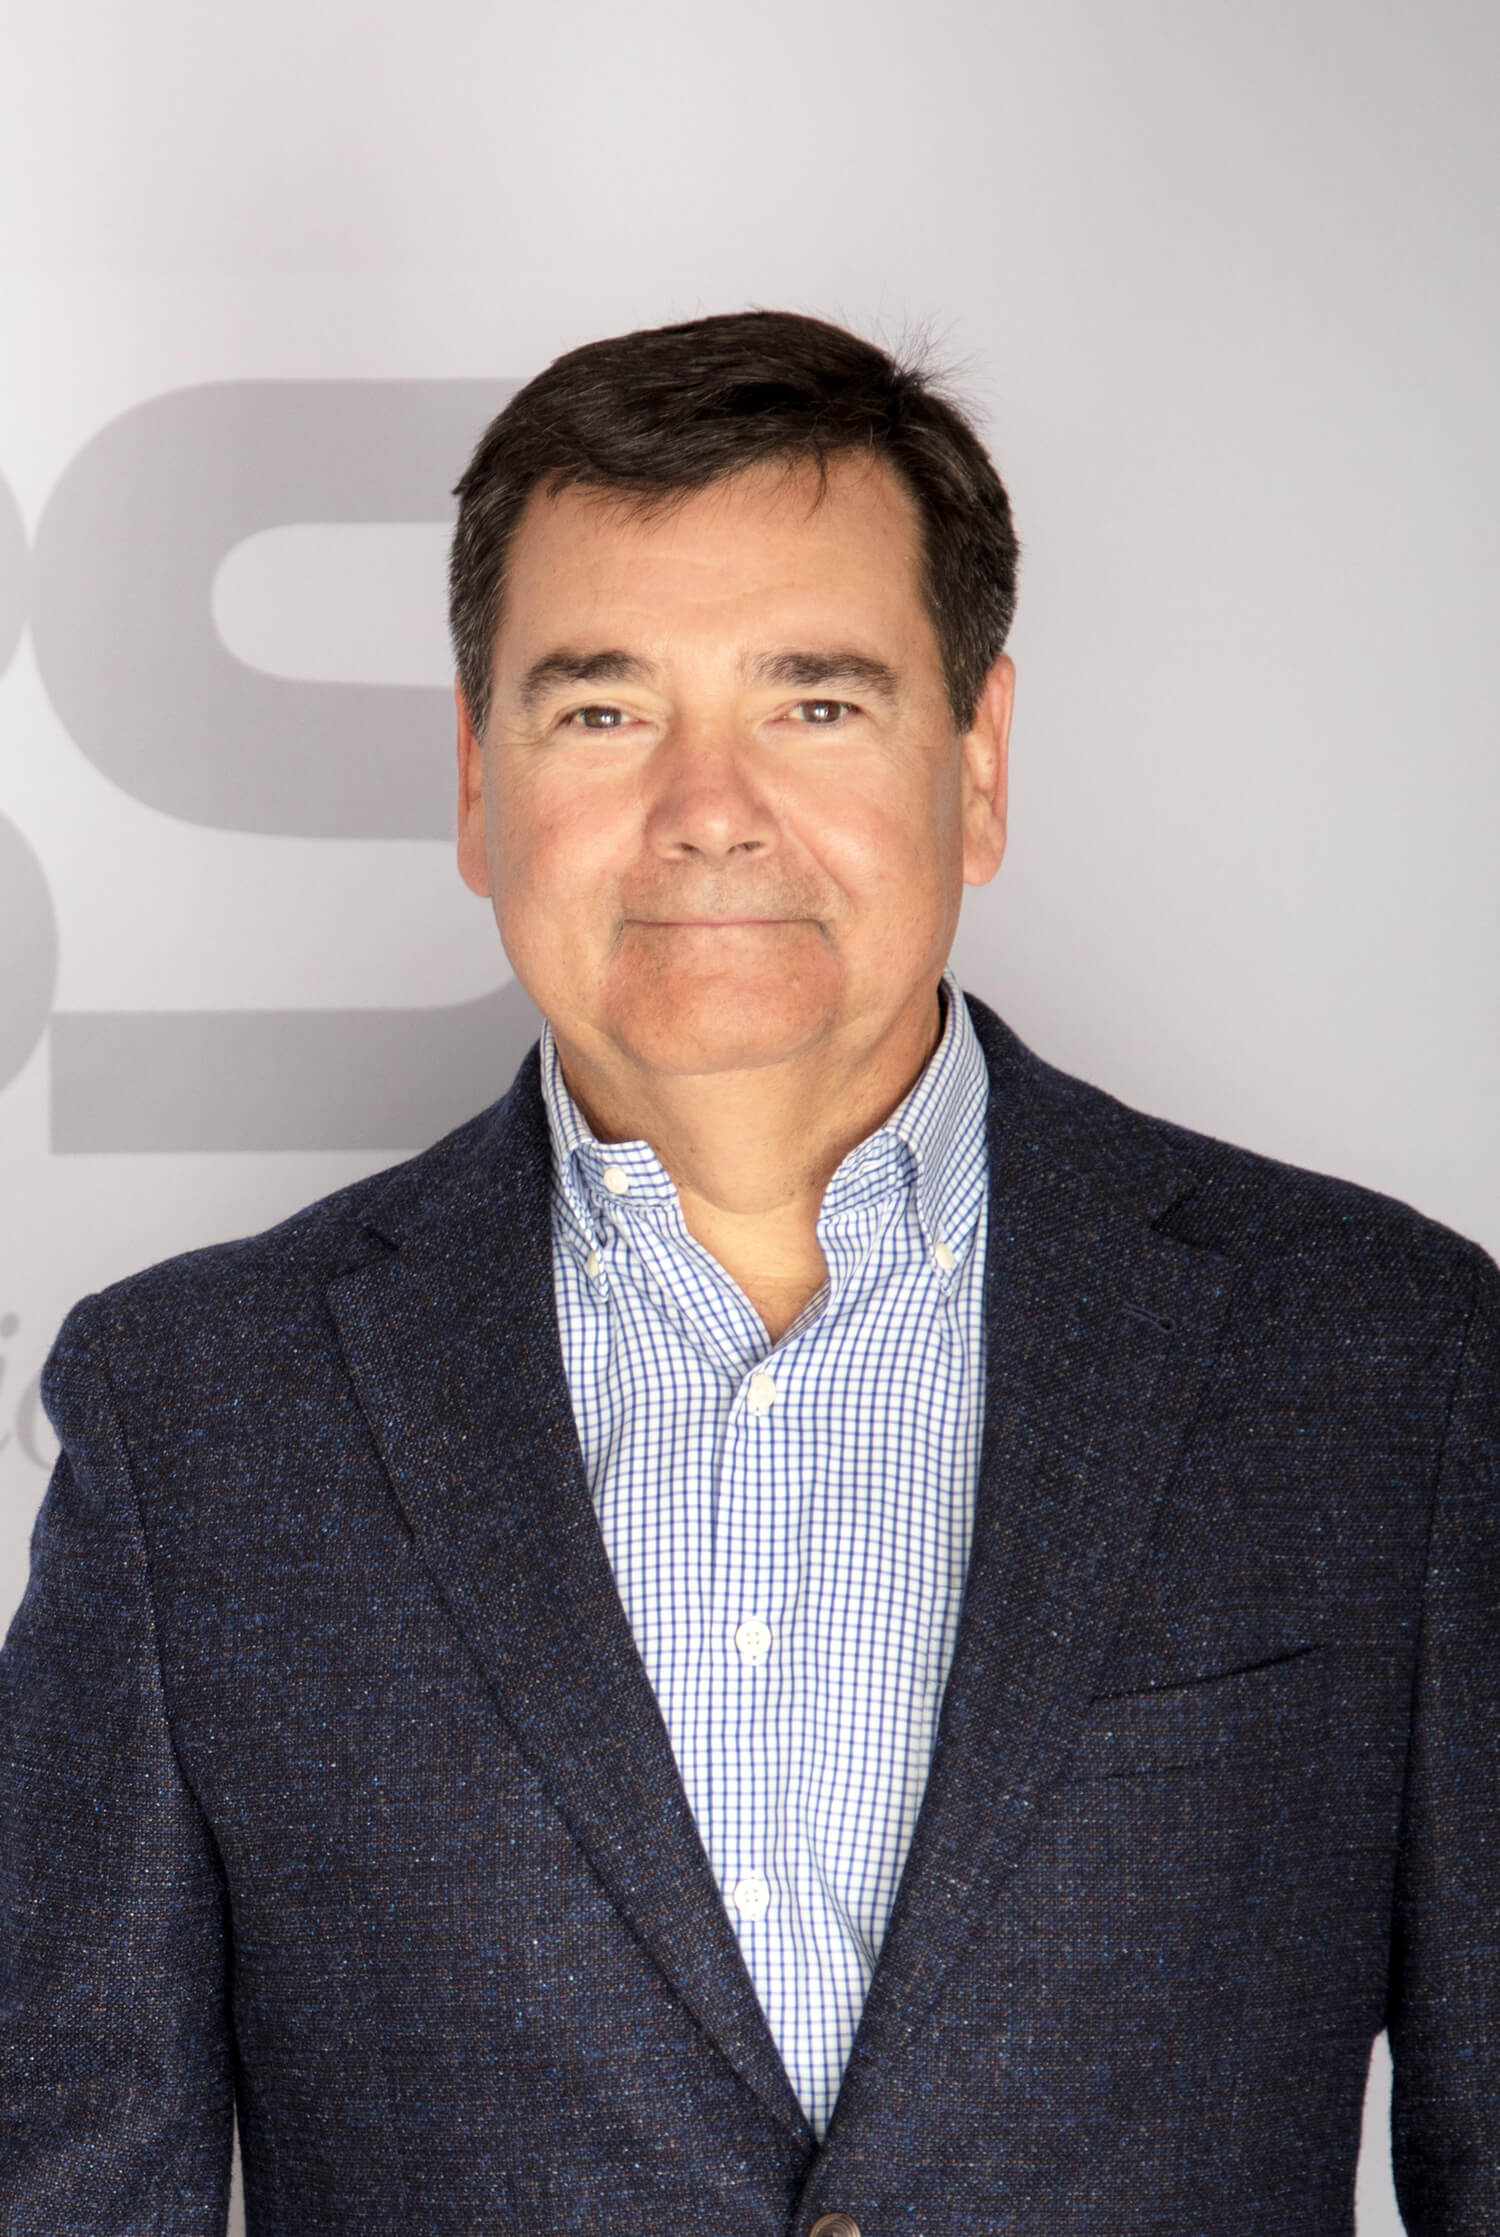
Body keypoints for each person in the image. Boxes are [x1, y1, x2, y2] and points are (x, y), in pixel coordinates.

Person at [1, 310, 1495, 2237]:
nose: (708, 806)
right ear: (476, 781)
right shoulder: (193, 1419)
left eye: (816, 703)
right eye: (603, 710)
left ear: (978, 761)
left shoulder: (1383, 1364)